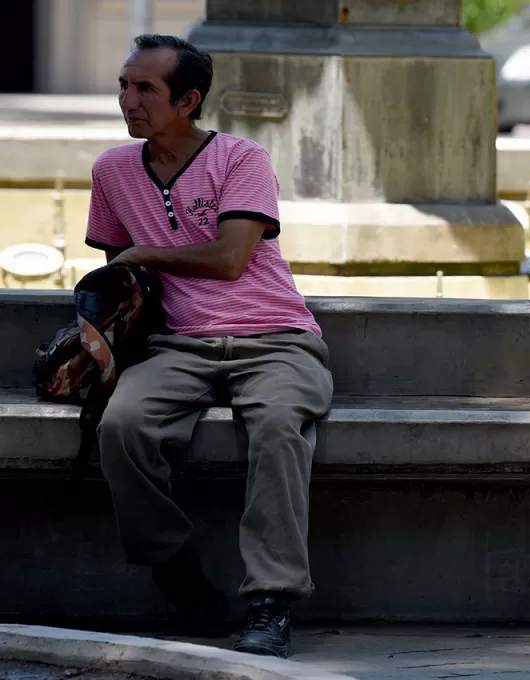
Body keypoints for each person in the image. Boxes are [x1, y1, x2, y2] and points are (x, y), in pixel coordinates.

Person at [85, 34, 333, 659]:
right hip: (177, 346)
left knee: (278, 428)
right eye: (124, 86)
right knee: (121, 427)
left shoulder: (241, 157)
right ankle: (179, 574)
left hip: (277, 338)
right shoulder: (112, 171)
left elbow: (229, 259)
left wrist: (145, 252)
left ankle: (271, 601)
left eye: (146, 88)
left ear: (188, 100)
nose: (129, 100)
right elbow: (123, 276)